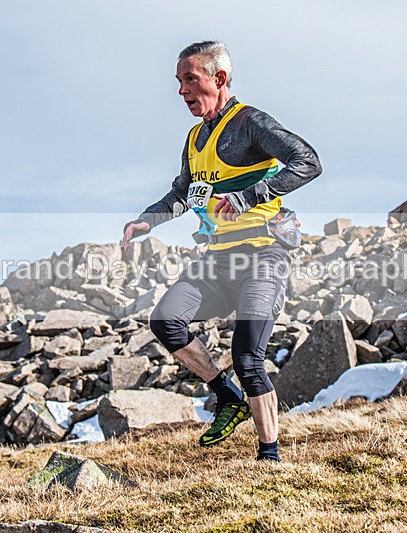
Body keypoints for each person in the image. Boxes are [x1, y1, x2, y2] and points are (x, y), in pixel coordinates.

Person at [120, 41, 321, 462]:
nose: (181, 91)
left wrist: (252, 195)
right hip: (217, 260)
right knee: (165, 321)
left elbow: (307, 161)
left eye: (190, 79)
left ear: (220, 78)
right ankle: (226, 396)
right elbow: (183, 194)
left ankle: (269, 457)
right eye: (178, 82)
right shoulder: (194, 138)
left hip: (263, 257)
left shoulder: (250, 123)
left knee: (249, 356)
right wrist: (146, 220)